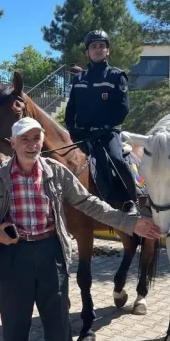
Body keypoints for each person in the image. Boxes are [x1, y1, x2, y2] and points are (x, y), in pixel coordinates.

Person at [0, 117, 161, 341]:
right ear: (12, 142)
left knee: (59, 330)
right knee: (15, 331)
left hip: (51, 254)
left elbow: (89, 203)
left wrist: (129, 223)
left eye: (36, 138)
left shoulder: (56, 171)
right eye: (25, 139)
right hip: (13, 255)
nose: (32, 145)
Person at [65, 30, 139, 216]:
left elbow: (122, 109)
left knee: (116, 160)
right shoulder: (79, 79)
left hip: (107, 133)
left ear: (108, 50)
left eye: (101, 46)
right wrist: (71, 129)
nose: (97, 49)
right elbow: (71, 108)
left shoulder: (116, 76)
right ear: (87, 52)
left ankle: (131, 199)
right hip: (81, 134)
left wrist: (106, 128)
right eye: (93, 46)